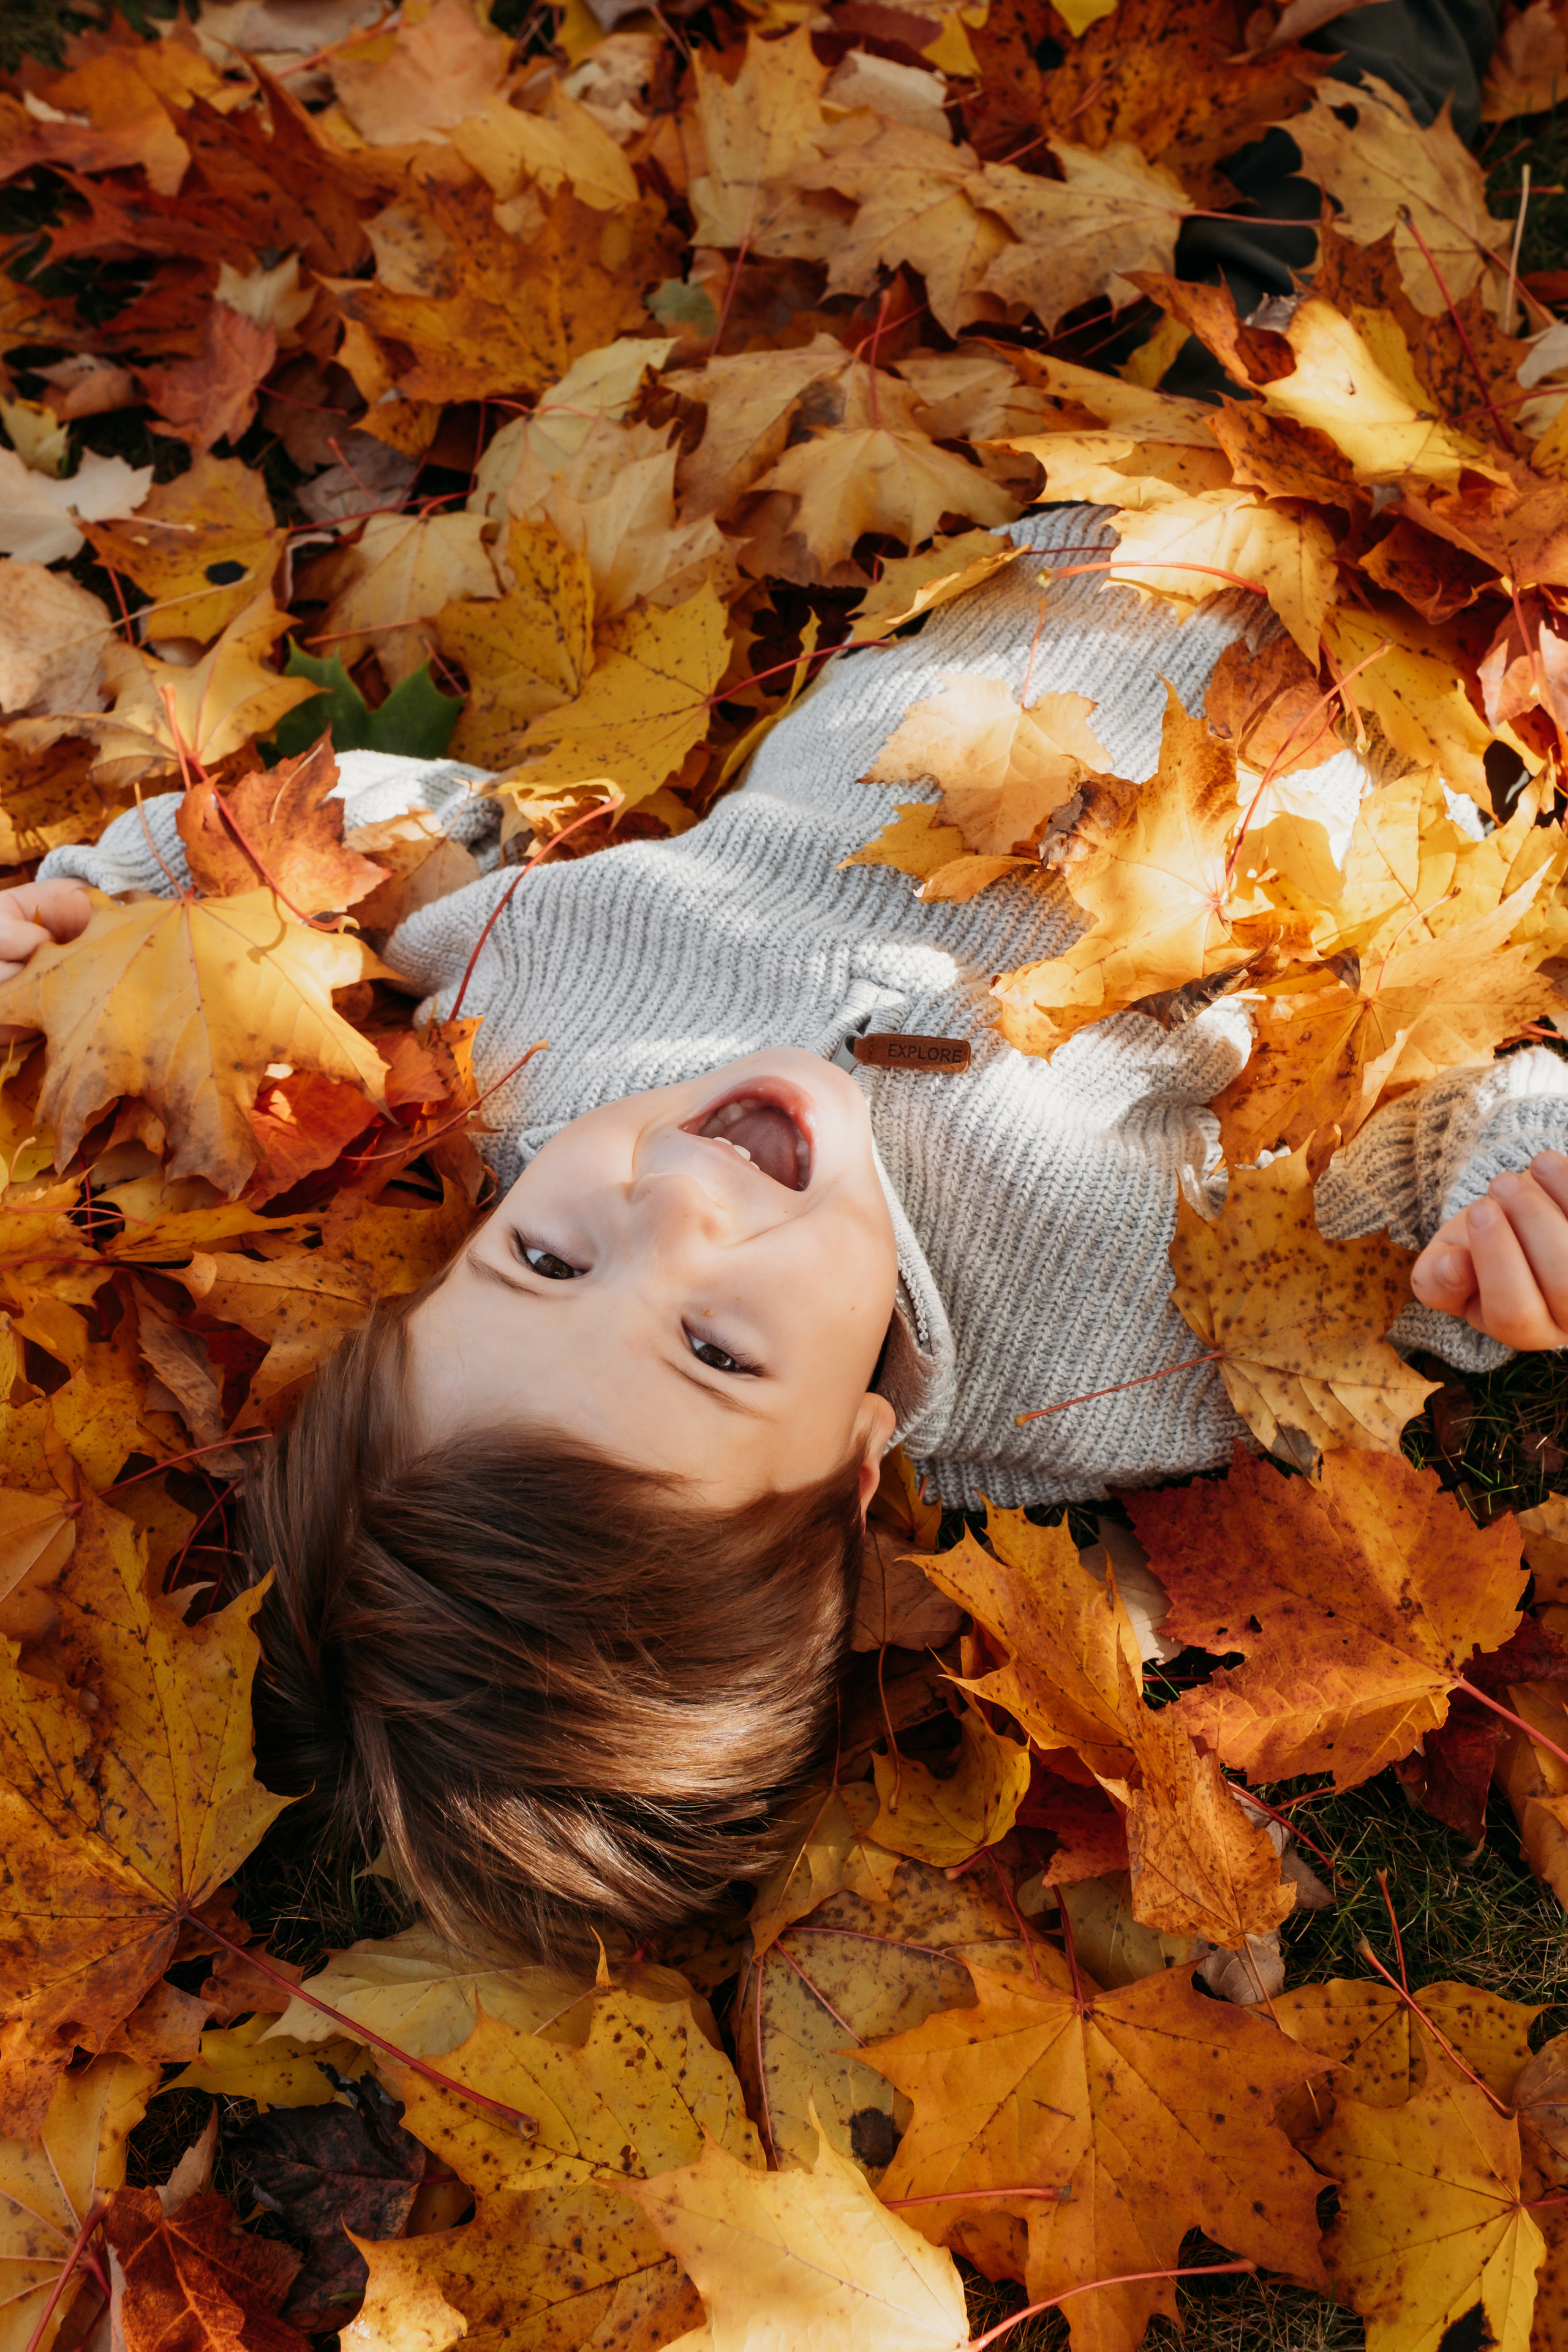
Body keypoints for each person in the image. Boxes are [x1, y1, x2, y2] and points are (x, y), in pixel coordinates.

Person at [9, 508, 1568, 1961]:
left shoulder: (517, 1040)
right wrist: (1518, 1192)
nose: (676, 1210)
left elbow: (416, 835)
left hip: (1085, 536)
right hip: (1439, 649)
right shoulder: (1114, 1329)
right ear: (855, 1459)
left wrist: (129, 907)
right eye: (715, 1347)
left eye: (543, 1260)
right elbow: (1428, 1154)